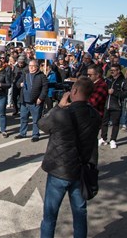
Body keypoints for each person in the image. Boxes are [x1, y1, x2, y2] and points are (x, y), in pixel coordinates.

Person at [38, 77, 101, 238]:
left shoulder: (63, 113)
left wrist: (58, 106)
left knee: (50, 216)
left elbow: (42, 124)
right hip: (80, 170)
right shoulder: (94, 115)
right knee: (80, 214)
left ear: (73, 91)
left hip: (59, 170)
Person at [14, 59, 48, 142]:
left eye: (33, 66)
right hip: (24, 101)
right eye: (30, 66)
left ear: (37, 67)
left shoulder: (41, 76)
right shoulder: (25, 74)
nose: (31, 68)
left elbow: (45, 88)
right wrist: (20, 84)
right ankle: (22, 133)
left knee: (36, 119)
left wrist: (41, 98)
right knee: (23, 118)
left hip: (35, 101)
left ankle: (35, 135)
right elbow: (17, 83)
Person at [100, 64, 127, 149]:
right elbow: (103, 89)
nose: (112, 72)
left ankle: (113, 140)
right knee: (104, 122)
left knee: (115, 123)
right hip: (106, 104)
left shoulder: (123, 81)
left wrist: (115, 93)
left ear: (118, 71)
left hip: (117, 105)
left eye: (114, 70)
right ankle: (103, 138)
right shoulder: (108, 79)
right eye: (111, 70)